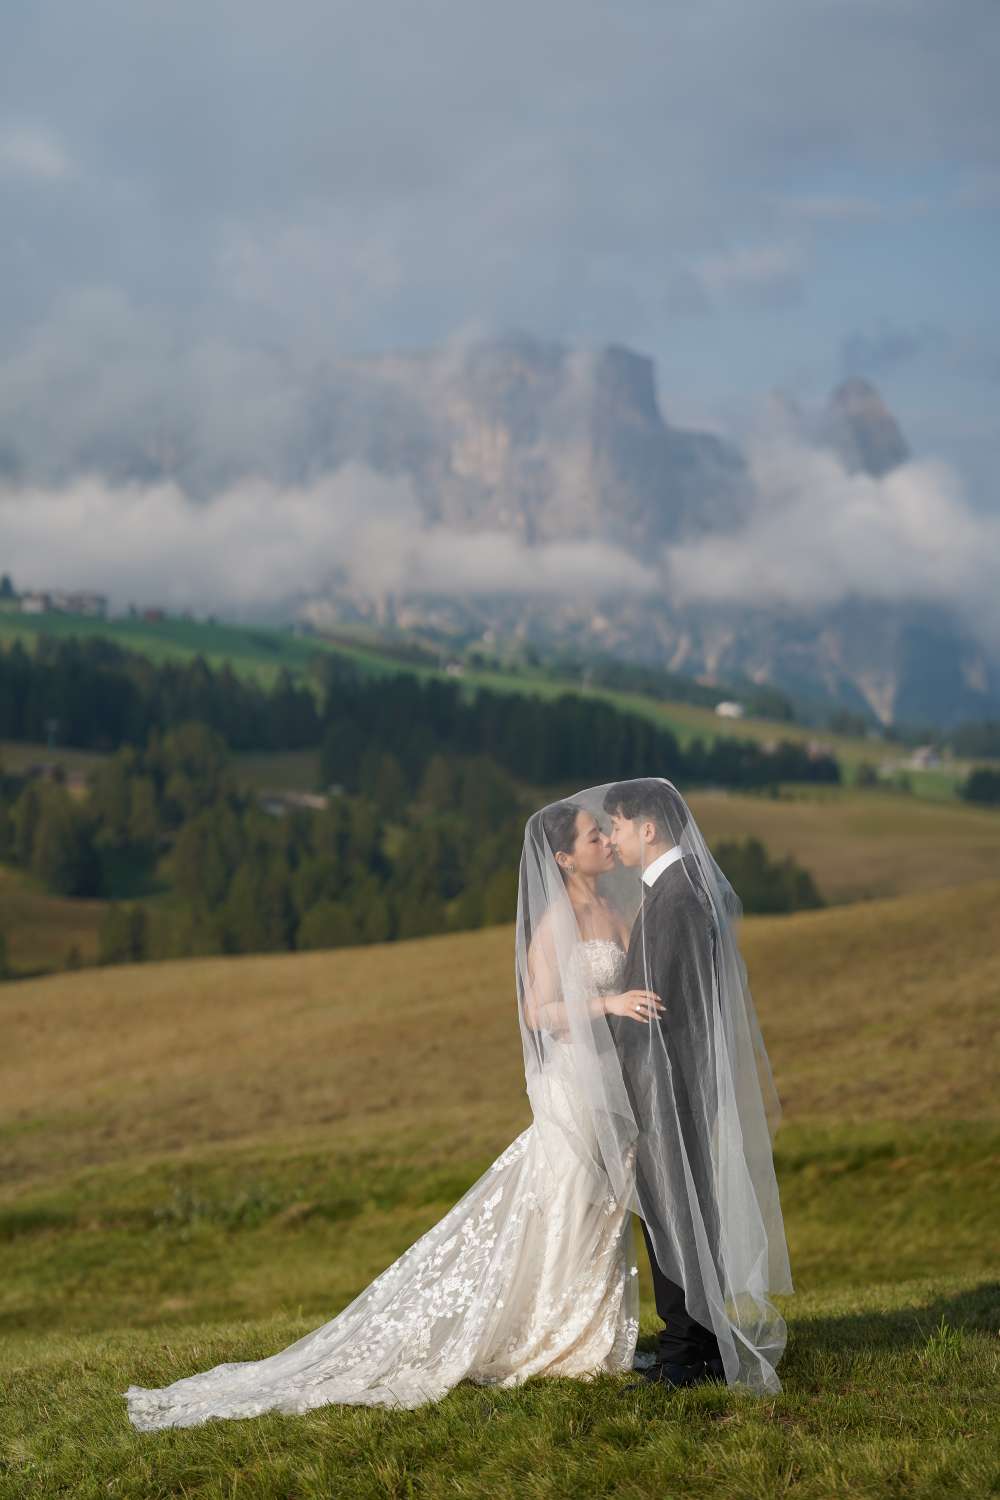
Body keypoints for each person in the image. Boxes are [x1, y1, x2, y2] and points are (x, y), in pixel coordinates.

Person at [123, 800, 659, 1429]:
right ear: (564, 858)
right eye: (594, 836)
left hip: (612, 1081)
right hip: (570, 1080)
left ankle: (592, 1334)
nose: (606, 841)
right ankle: (553, 1336)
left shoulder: (615, 909)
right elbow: (537, 1013)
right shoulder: (554, 923)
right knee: (570, 1195)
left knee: (602, 1203)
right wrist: (607, 1005)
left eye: (604, 833)